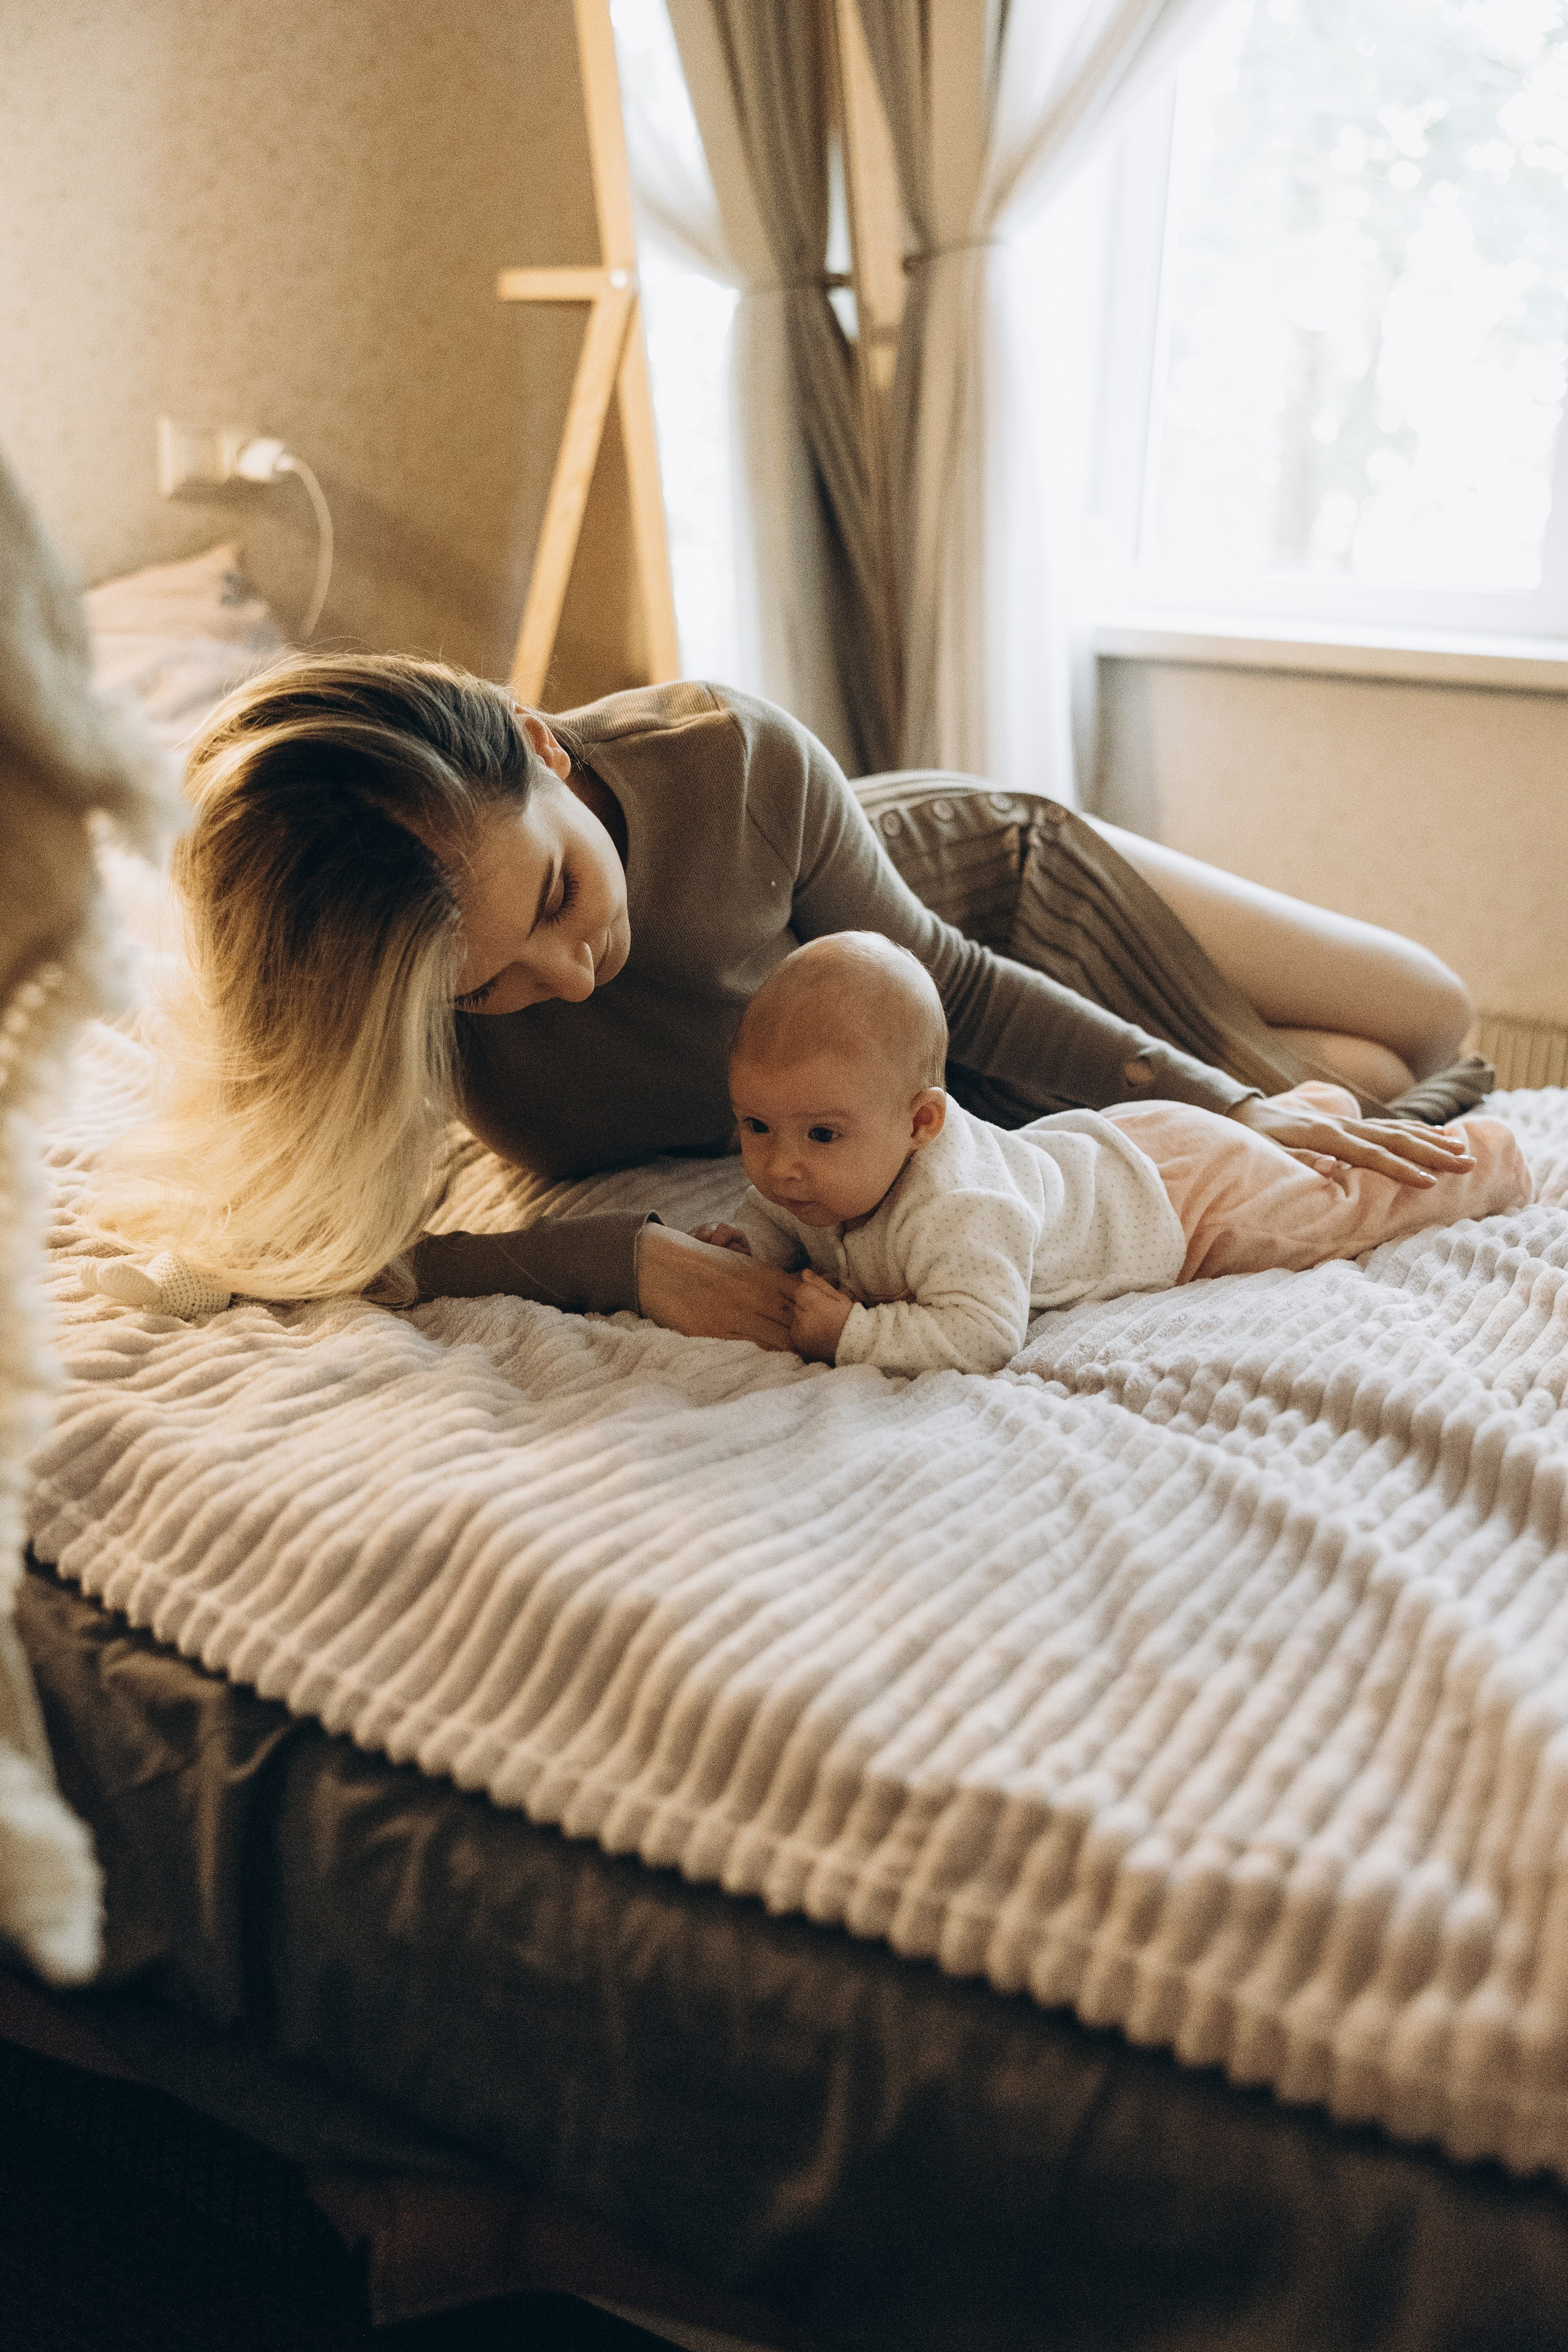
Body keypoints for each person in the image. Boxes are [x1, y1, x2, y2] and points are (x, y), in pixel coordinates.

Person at [102, 656, 1488, 1349]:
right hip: (870, 1107)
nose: (568, 978)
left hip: (961, 907)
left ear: (539, 746)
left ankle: (1267, 1076)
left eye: (555, 901)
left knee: (1422, 1020)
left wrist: (1232, 1106)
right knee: (1354, 1065)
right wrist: (622, 1260)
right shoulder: (379, 985)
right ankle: (1288, 1079)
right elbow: (346, 1251)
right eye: (494, 992)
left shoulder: (729, 758)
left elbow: (953, 985)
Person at [693, 934, 1529, 1378]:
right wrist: (749, 1246)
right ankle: (1317, 1113)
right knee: (1285, 1159)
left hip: (1180, 1200)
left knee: (1338, 1218)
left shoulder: (960, 1211)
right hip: (1126, 1144)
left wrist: (854, 1335)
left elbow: (982, 1334)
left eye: (820, 1136)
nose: (780, 1168)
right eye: (754, 1126)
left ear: (922, 1123)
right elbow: (774, 1215)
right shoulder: (806, 1174)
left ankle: (1484, 1159)